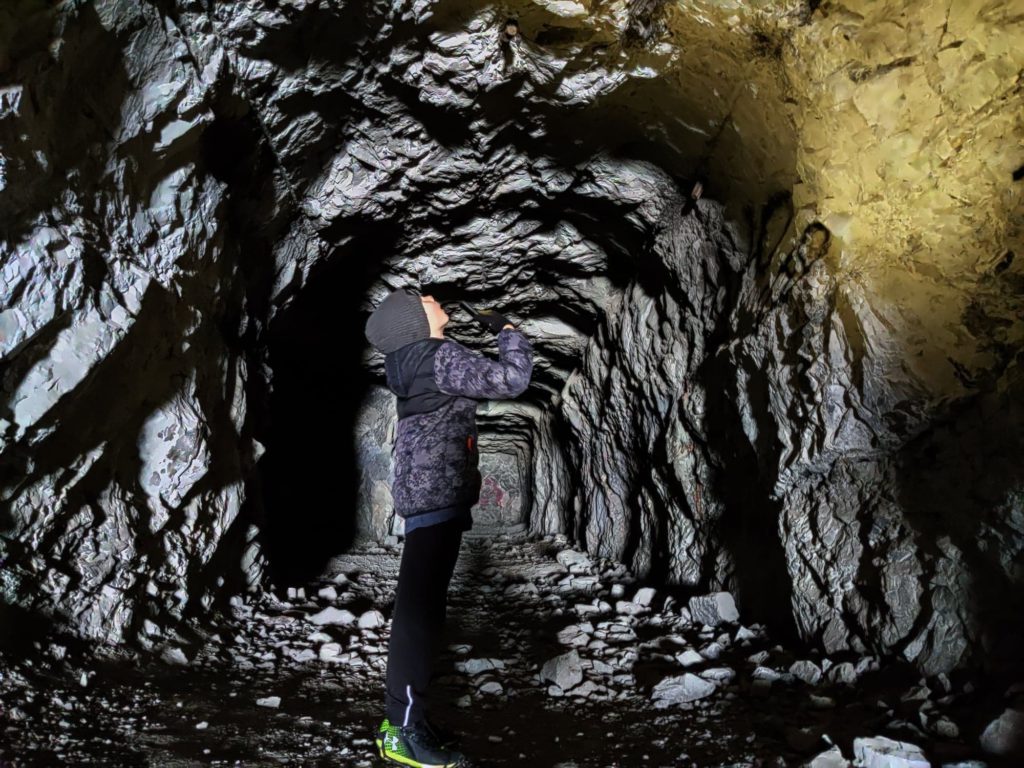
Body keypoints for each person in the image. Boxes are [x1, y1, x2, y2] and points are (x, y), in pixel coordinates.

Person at [363, 288, 534, 768]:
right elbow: (512, 379)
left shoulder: (407, 362)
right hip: (437, 491)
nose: (433, 297)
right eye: (423, 298)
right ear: (416, 321)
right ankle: (402, 732)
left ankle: (407, 720)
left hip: (423, 490)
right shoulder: (437, 355)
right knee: (418, 615)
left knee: (422, 607)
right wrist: (507, 331)